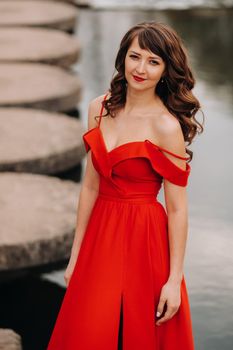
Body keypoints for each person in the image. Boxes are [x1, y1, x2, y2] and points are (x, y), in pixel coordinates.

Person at [47, 21, 204, 350]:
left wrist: (174, 280)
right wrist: (75, 255)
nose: (141, 69)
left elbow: (177, 209)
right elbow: (90, 186)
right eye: (135, 56)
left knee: (138, 334)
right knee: (88, 331)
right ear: (122, 58)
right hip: (101, 234)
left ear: (165, 70)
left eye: (153, 61)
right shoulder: (98, 109)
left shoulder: (166, 127)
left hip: (146, 238)